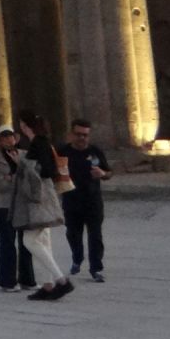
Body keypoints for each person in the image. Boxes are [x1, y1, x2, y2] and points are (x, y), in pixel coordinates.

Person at [12, 114, 73, 301]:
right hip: (44, 195)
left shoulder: (39, 143)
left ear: (25, 126)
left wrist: (21, 163)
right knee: (44, 240)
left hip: (39, 197)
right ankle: (47, 286)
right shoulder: (42, 142)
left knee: (29, 241)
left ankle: (61, 280)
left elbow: (46, 170)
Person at [59, 118, 110, 282]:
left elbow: (108, 172)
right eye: (78, 134)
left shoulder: (95, 152)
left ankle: (96, 268)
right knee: (73, 234)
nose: (82, 138)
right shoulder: (63, 152)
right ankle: (77, 257)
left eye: (85, 135)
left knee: (95, 235)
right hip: (71, 200)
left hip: (93, 200)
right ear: (71, 134)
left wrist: (102, 174)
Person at [0, 125, 35, 293]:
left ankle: (27, 280)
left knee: (27, 243)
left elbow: (32, 177)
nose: (9, 140)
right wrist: (17, 173)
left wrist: (12, 174)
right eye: (4, 137)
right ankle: (7, 281)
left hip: (23, 204)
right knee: (8, 243)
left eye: (11, 136)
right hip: (5, 205)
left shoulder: (24, 155)